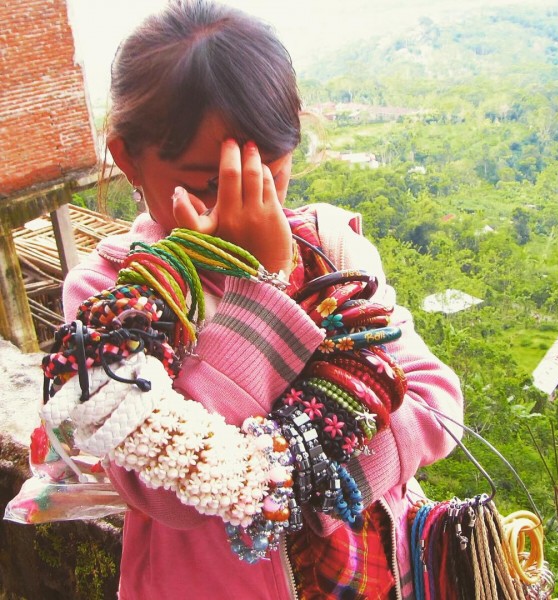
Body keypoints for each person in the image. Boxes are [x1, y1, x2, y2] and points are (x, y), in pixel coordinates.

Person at [63, 1, 463, 598]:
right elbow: (163, 491)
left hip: (373, 578)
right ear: (128, 161)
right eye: (208, 182)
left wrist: (311, 485)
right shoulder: (115, 300)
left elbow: (435, 402)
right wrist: (259, 288)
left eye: (268, 174)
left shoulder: (331, 251)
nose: (243, 204)